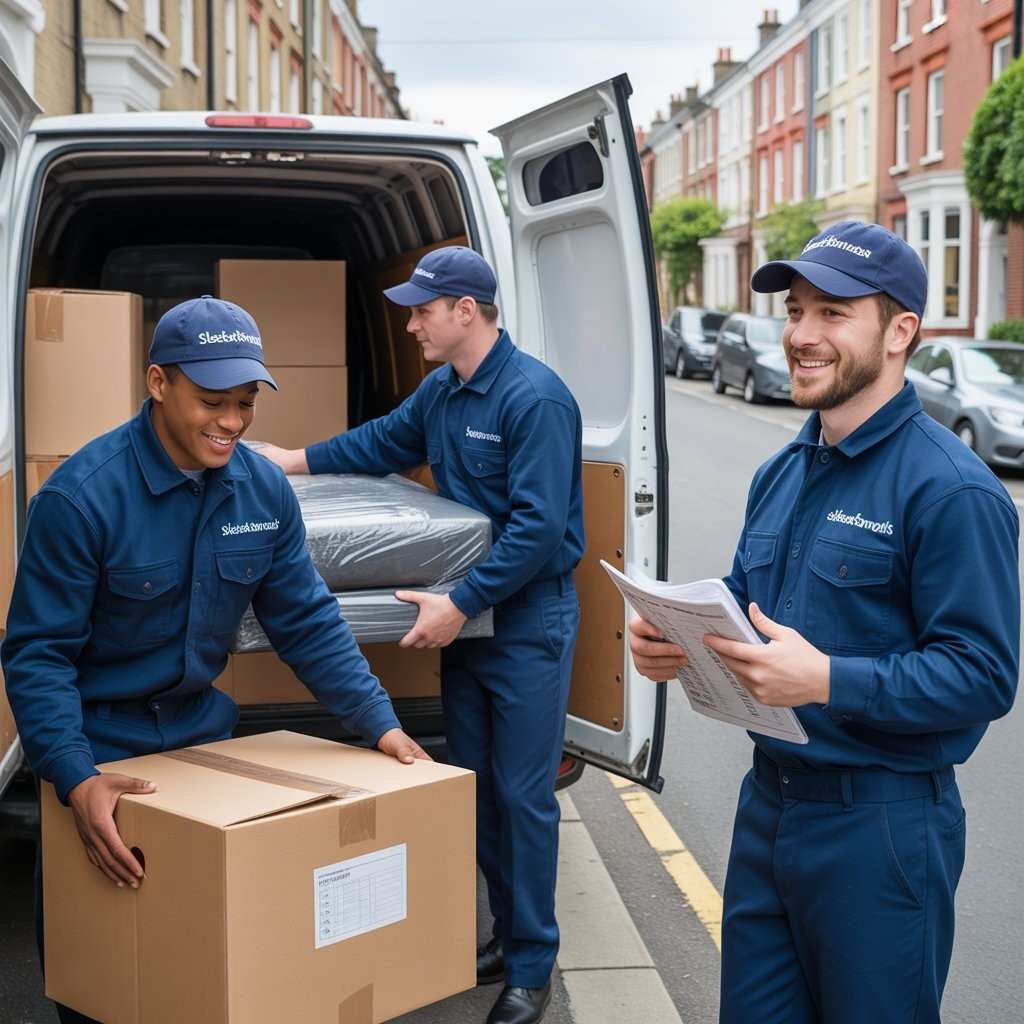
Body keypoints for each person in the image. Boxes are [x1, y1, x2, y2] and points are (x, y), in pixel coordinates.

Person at [628, 221, 1019, 1024]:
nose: (802, 335)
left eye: (833, 313)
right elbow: (743, 606)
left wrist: (830, 679)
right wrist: (674, 639)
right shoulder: (781, 470)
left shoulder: (952, 490)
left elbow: (984, 675)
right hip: (767, 810)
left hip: (880, 829)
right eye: (797, 310)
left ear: (900, 330)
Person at [1, 295, 427, 1024]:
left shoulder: (262, 490)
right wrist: (75, 779)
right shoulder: (81, 499)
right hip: (102, 746)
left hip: (203, 741)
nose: (231, 422)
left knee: (208, 968)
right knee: (105, 976)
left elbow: (307, 621)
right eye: (211, 401)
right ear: (158, 382)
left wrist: (381, 725)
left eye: (245, 402)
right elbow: (38, 655)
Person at [260, 245, 583, 1024]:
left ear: (465, 311)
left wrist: (458, 601)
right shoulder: (445, 391)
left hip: (527, 619)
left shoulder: (534, 400)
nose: (411, 324)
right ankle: (506, 936)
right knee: (475, 789)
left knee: (524, 797)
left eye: (422, 310)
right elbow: (380, 442)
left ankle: (532, 966)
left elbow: (540, 531)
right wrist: (292, 460)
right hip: (469, 620)